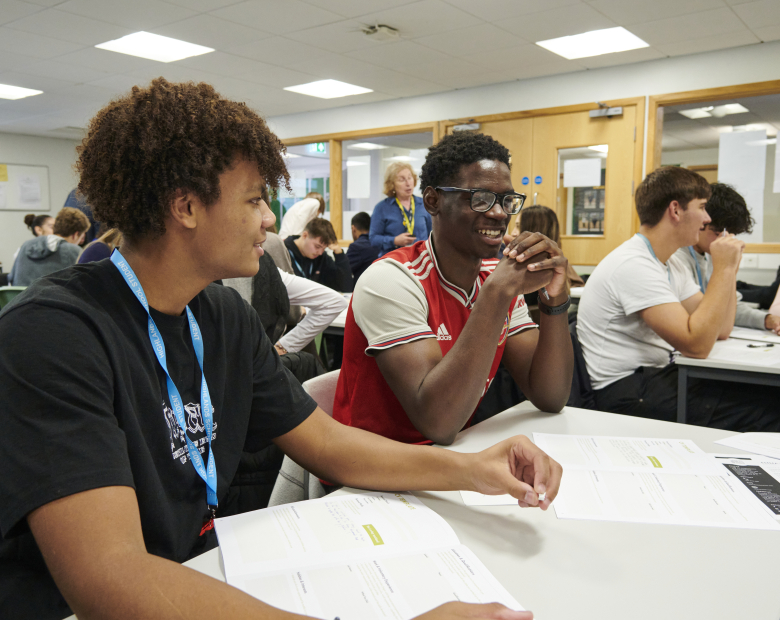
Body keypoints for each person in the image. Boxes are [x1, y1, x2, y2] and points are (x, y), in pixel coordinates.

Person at [0, 78, 560, 620]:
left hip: (194, 575)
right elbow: (109, 580)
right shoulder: (54, 335)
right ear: (186, 207)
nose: (270, 219)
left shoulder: (222, 316)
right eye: (254, 200)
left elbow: (330, 444)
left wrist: (473, 469)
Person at [333, 131, 574, 446]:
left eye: (506, 200)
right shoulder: (392, 280)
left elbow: (550, 396)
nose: (499, 213)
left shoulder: (495, 278)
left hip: (453, 455)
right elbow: (438, 423)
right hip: (373, 464)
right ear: (433, 201)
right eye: (480, 198)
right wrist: (495, 295)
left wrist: (555, 300)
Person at [577, 166, 779, 431]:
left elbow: (721, 329)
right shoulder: (633, 264)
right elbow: (697, 346)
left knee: (765, 395)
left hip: (658, 376)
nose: (707, 218)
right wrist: (723, 269)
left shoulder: (671, 262)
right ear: (675, 210)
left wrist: (729, 269)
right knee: (768, 409)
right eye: (702, 207)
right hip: (626, 391)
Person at [674, 183, 780, 334]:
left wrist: (768, 320)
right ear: (702, 222)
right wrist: (726, 268)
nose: (724, 240)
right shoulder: (676, 257)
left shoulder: (711, 253)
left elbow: (729, 307)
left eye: (730, 235)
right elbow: (711, 319)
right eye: (718, 233)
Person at [8, 206, 89, 286]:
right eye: (81, 237)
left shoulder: (25, 245)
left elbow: (11, 278)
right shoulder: (74, 251)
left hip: (21, 294)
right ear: (75, 235)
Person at [369, 162, 432, 257]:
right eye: (402, 180)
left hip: (420, 259)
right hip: (393, 260)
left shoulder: (424, 204)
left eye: (410, 178)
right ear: (392, 184)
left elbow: (432, 235)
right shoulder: (382, 208)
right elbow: (373, 239)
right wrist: (394, 241)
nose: (408, 183)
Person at [284, 218, 353, 293]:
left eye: (324, 248)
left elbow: (346, 288)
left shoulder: (321, 257)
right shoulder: (283, 252)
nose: (320, 252)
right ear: (305, 235)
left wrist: (339, 254)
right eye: (317, 246)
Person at [346, 211, 379, 282]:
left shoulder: (356, 247)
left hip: (363, 287)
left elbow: (344, 272)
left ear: (353, 228)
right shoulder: (380, 243)